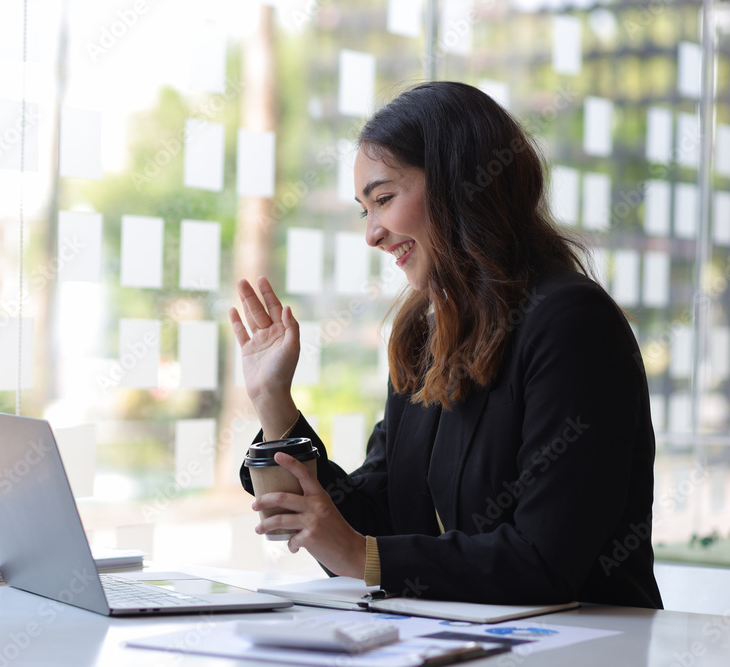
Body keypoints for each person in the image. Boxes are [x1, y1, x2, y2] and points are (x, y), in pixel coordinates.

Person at [229, 81, 663, 609]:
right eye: (365, 210)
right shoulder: (423, 337)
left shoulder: (571, 321)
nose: (372, 234)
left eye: (384, 199)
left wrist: (362, 555)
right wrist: (274, 402)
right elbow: (380, 520)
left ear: (462, 186)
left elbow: (547, 561)